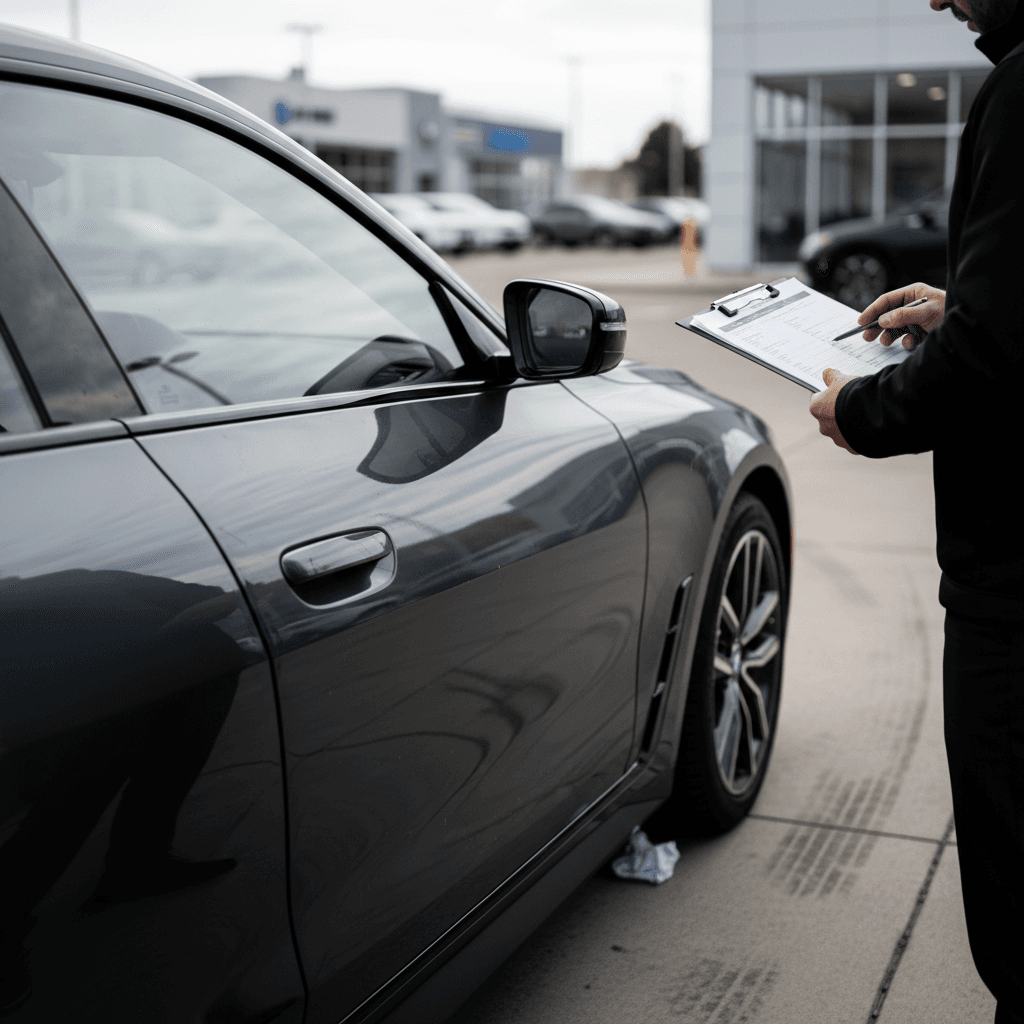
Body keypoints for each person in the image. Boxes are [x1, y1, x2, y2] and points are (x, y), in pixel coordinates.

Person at [809, 0, 1024, 1018]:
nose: (936, 2)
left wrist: (859, 407)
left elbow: (988, 369)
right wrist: (966, 305)